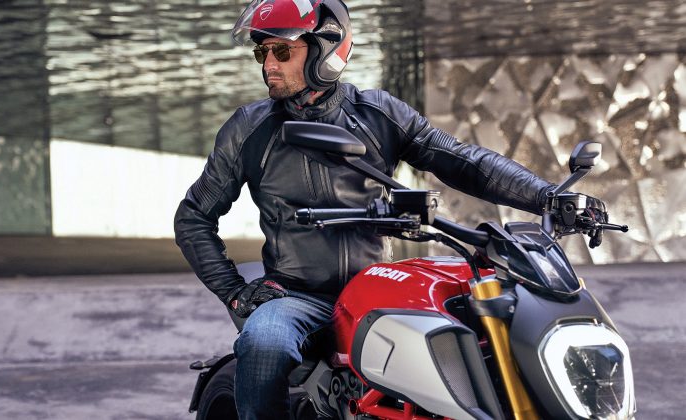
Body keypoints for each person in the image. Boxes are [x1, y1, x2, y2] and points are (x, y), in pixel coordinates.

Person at [174, 1, 606, 419]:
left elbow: (463, 161)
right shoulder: (250, 129)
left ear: (325, 50)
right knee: (262, 343)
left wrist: (549, 197)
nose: (269, 64)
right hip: (297, 295)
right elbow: (194, 216)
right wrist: (234, 291)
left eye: (282, 51)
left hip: (378, 286)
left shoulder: (377, 113)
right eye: (262, 52)